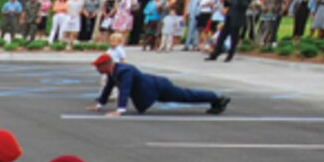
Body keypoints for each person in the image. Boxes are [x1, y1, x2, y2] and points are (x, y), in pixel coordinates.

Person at [91, 54, 230, 115]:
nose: (97, 69)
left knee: (185, 95)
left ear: (105, 65)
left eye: (98, 67)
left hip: (157, 87)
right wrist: (99, 105)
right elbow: (108, 88)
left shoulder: (124, 71)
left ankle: (216, 98)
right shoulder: (113, 72)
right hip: (152, 88)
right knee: (184, 96)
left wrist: (120, 110)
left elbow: (125, 90)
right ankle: (214, 99)